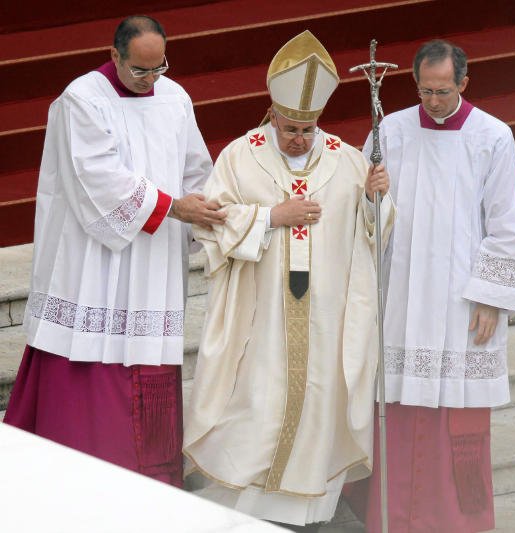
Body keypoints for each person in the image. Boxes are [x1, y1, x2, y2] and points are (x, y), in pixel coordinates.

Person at [183, 30, 394, 532]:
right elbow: (208, 220)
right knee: (254, 399)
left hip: (324, 316)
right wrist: (272, 216)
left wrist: (372, 198)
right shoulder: (240, 155)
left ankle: (305, 512)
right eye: (289, 127)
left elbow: (374, 229)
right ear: (272, 113)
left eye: (306, 128)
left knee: (318, 398)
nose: (298, 137)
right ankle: (240, 508)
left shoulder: (346, 158)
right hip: (260, 315)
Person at [3, 15, 223, 487]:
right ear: (115, 54)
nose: (150, 80)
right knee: (90, 353)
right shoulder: (82, 99)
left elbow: (195, 166)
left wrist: (205, 208)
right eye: (139, 70)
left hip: (155, 254)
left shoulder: (175, 97)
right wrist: (173, 208)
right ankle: (79, 473)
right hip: (94, 258)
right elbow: (96, 178)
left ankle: (154, 477)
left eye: (159, 68)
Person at [345, 39, 515, 532]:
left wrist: (492, 298)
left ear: (464, 84)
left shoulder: (492, 137)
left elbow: (508, 225)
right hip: (402, 297)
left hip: (458, 304)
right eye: (425, 90)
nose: (432, 101)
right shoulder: (391, 130)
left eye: (443, 91)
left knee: (455, 418)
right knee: (401, 414)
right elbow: (364, 218)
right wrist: (369, 197)